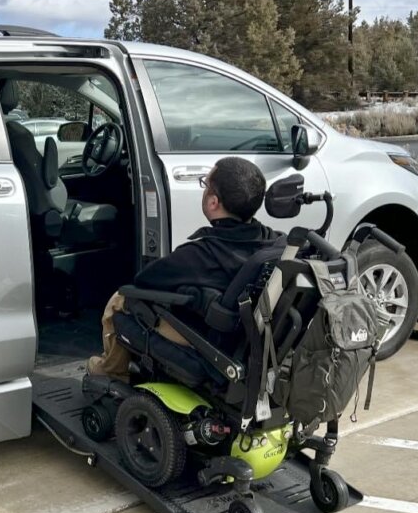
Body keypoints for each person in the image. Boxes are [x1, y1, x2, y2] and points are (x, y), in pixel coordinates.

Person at [87, 156, 284, 382]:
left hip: (211, 341)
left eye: (205, 183)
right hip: (247, 339)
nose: (203, 188)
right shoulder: (273, 243)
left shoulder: (198, 255)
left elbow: (143, 281)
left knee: (120, 299)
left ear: (213, 202)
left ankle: (111, 371)